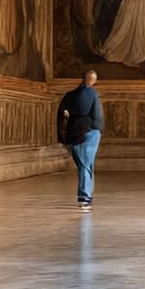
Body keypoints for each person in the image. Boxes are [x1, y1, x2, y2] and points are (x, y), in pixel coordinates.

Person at [56, 69, 103, 208]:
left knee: (84, 164)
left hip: (76, 133)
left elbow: (62, 114)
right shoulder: (91, 93)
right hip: (88, 132)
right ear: (93, 81)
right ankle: (84, 196)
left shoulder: (69, 95)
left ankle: (85, 195)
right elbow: (91, 113)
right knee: (86, 165)